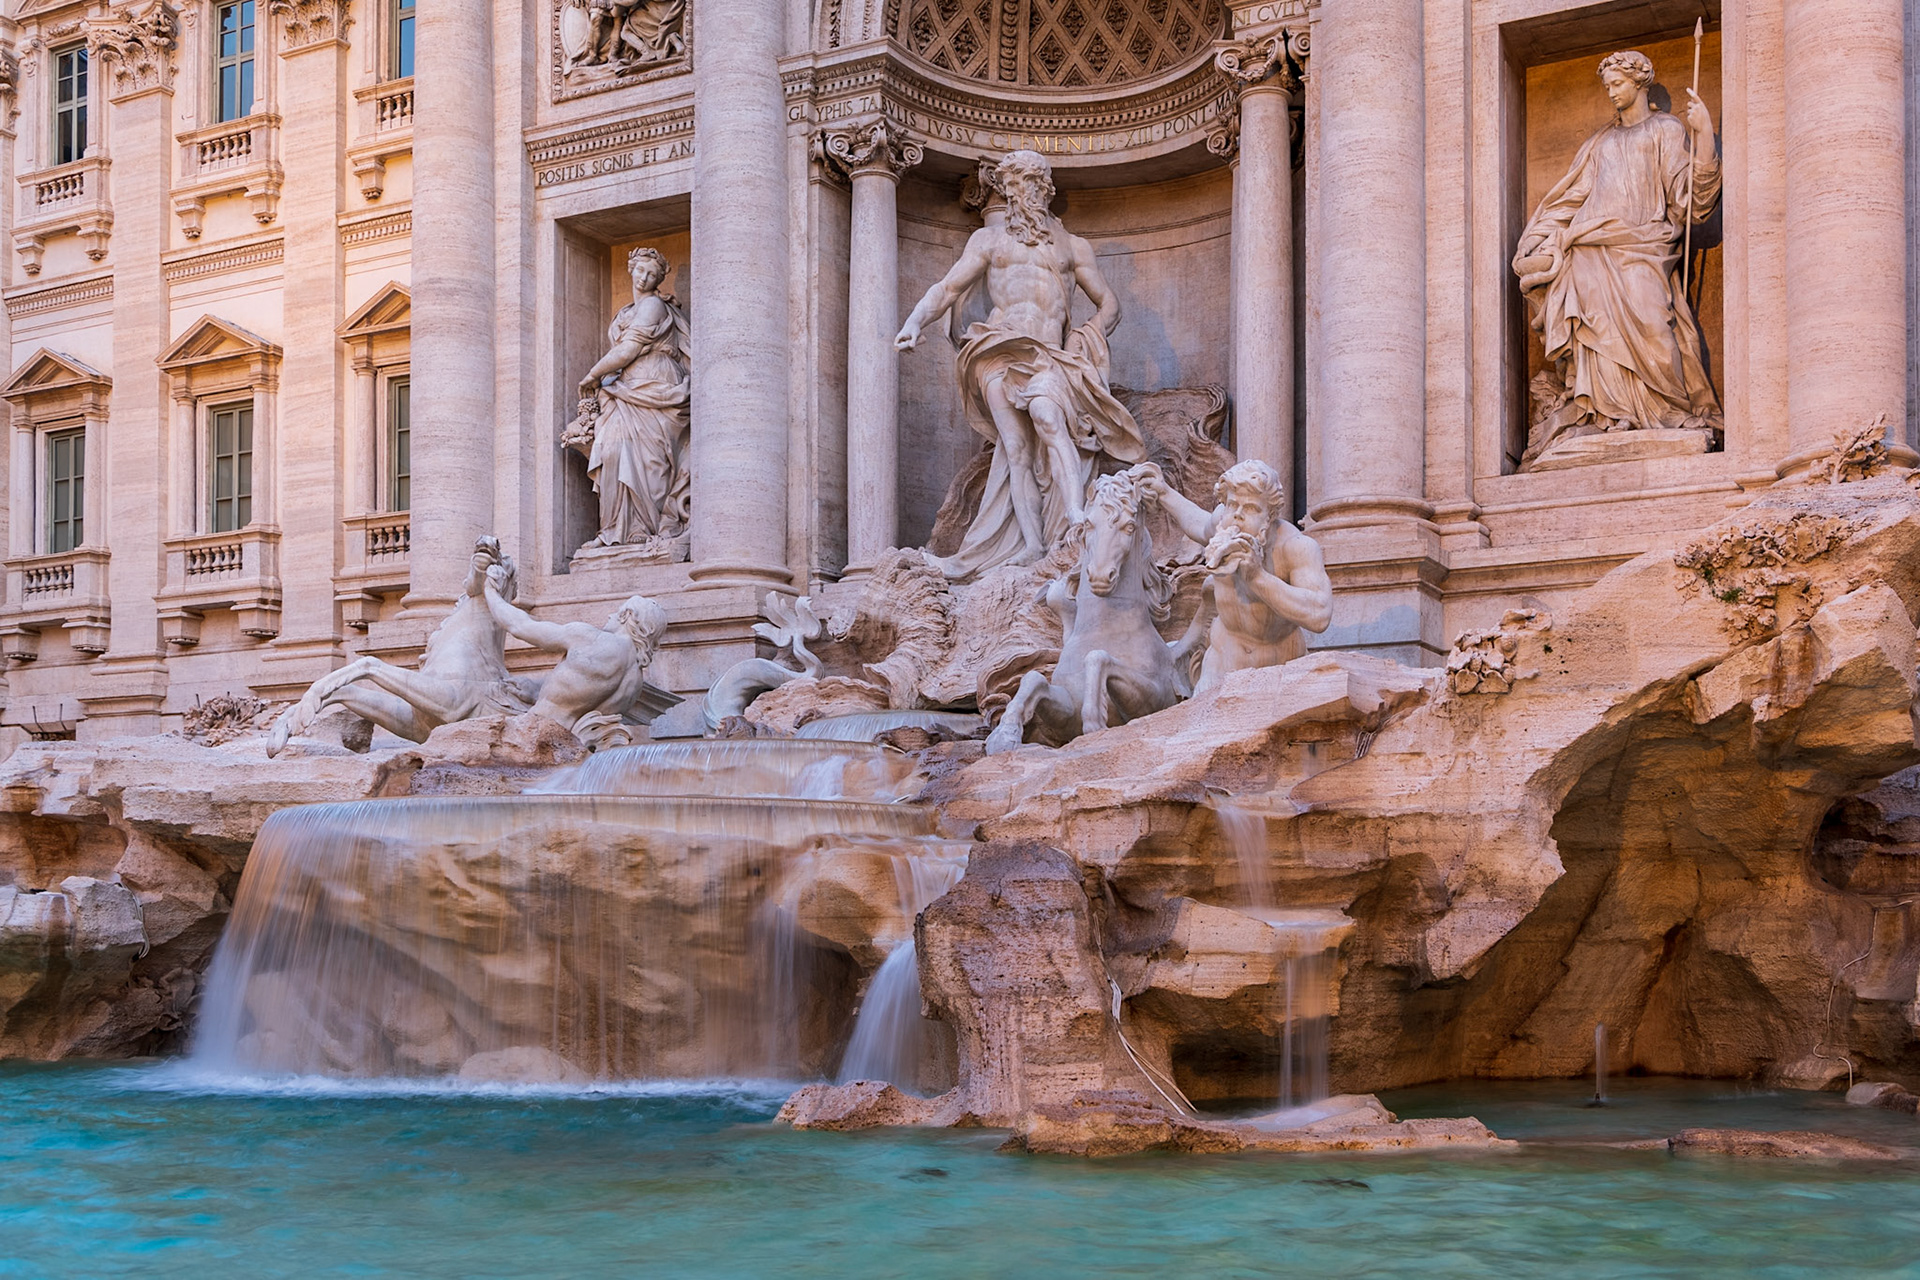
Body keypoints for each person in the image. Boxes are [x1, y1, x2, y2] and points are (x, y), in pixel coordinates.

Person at [896, 150, 1146, 580]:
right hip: (997, 349)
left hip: (1047, 355)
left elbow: (1110, 304)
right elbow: (948, 288)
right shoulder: (987, 241)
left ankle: (1076, 517)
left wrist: (1084, 338)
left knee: (1048, 417)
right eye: (1013, 185)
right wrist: (914, 322)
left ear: (1045, 188)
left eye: (1029, 183)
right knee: (1015, 449)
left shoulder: (1072, 246)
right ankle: (1032, 545)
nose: (1021, 193)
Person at [1512, 50, 1722, 468]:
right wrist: (1535, 240)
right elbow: (1569, 199)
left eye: (1618, 84)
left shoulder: (1665, 129)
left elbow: (1690, 202)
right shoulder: (1600, 143)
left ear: (1640, 83)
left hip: (1645, 246)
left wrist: (1704, 139)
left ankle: (1668, 411)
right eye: (1607, 85)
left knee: (1654, 325)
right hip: (1591, 250)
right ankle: (1607, 414)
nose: (1611, 92)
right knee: (1597, 334)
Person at [1144, 459, 1332, 695]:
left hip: (1278, 668)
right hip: (1221, 662)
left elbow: (1319, 615)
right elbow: (1198, 523)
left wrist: (1257, 577)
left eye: (1251, 508)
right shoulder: (1223, 523)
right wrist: (1163, 492)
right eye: (1233, 505)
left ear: (1270, 516)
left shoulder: (1295, 547)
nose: (1238, 516)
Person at [566, 246, 691, 550]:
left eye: (653, 274)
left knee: (650, 457)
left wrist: (593, 374)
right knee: (612, 449)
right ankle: (614, 528)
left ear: (659, 279)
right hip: (625, 389)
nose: (644, 278)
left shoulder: (654, 306)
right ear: (631, 269)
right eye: (641, 270)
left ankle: (646, 527)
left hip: (656, 382)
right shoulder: (624, 312)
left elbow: (629, 349)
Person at [480, 570, 668, 741]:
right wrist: (534, 692)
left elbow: (520, 626)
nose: (610, 615)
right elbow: (580, 699)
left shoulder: (593, 639)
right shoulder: (635, 683)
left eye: (616, 612)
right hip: (572, 747)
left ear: (626, 615)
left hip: (533, 735)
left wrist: (490, 592)